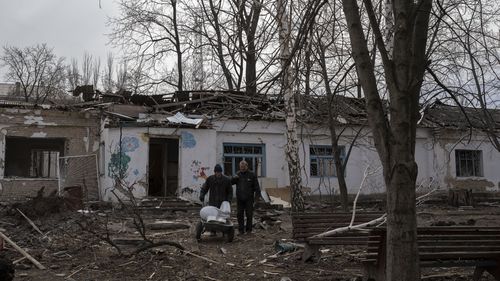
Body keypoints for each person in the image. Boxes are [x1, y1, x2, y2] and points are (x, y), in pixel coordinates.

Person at [231, 160, 260, 235]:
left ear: (247, 166)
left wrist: (256, 199)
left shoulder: (252, 175)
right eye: (241, 167)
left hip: (249, 199)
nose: (242, 168)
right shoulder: (238, 174)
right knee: (239, 214)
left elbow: (257, 188)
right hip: (240, 199)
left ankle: (249, 230)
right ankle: (241, 230)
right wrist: (233, 178)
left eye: (244, 167)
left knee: (249, 214)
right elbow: (230, 183)